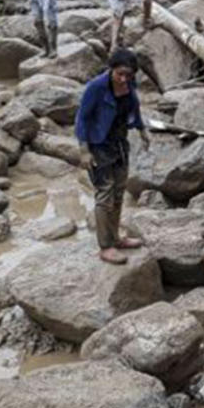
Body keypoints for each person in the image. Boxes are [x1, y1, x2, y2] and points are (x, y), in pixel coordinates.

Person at [75, 49, 153, 265]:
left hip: (119, 142)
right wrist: (84, 150)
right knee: (104, 194)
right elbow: (82, 118)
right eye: (120, 74)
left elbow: (134, 105)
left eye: (128, 75)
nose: (123, 79)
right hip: (98, 144)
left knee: (119, 191)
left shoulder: (129, 84)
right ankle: (105, 246)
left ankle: (116, 238)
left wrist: (141, 129)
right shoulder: (96, 87)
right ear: (111, 70)